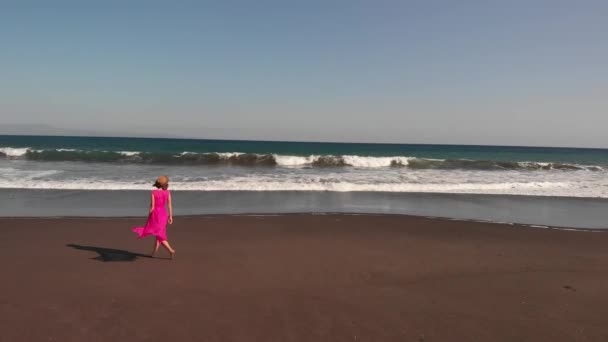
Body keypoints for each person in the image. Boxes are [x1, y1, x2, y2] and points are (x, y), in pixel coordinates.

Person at [132, 175, 176, 259]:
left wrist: (149, 217)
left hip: (156, 215)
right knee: (159, 234)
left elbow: (152, 206)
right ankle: (153, 253)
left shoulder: (153, 192)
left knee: (159, 234)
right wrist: (170, 216)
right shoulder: (167, 192)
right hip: (164, 214)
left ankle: (171, 250)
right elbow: (169, 205)